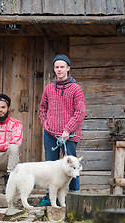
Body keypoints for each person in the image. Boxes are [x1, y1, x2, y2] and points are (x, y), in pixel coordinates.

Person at [38, 54, 85, 206]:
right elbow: (42, 108)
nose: (59, 69)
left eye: (62, 67)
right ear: (54, 69)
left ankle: (73, 199)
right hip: (50, 134)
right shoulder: (49, 88)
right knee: (50, 166)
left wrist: (67, 129)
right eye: (56, 67)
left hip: (69, 135)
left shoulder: (75, 89)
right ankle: (49, 197)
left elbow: (80, 112)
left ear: (68, 68)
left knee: (72, 167)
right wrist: (45, 123)